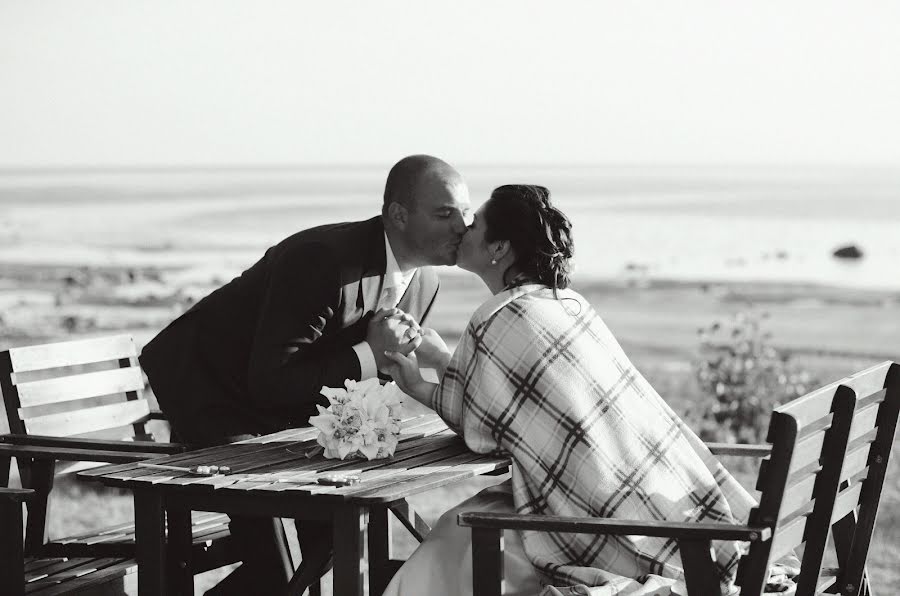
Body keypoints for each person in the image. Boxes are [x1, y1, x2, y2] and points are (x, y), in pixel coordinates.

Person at [382, 185, 757, 596]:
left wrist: (416, 383)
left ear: (500, 248)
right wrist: (442, 361)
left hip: (603, 526)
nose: (462, 230)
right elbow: (515, 402)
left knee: (455, 535)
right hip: (652, 507)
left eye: (475, 224)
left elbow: (481, 430)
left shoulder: (496, 317)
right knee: (466, 524)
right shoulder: (566, 303)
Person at [139, 154, 470, 595]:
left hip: (287, 408)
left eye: (466, 214)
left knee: (335, 540)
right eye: (444, 213)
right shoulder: (322, 261)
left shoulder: (426, 283)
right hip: (211, 389)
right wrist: (369, 352)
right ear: (399, 215)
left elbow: (366, 379)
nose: (461, 227)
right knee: (274, 567)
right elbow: (272, 379)